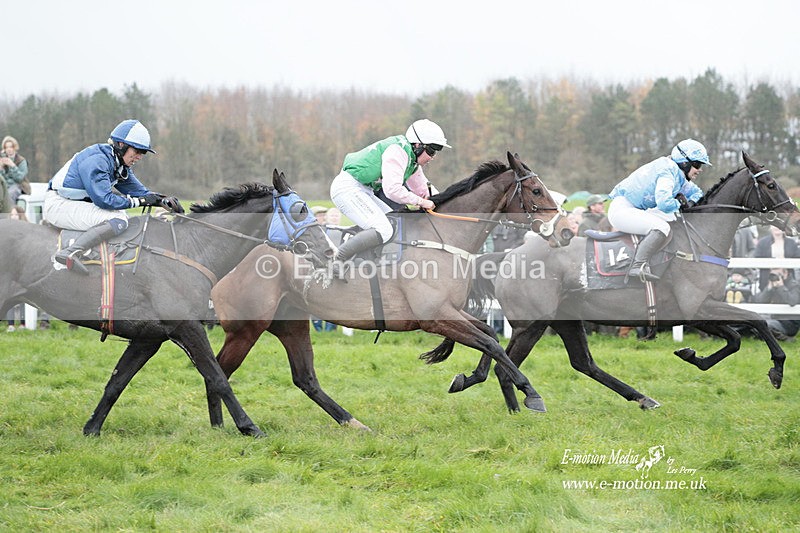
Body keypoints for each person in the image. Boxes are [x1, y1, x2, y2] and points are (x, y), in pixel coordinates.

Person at [43, 119, 183, 275]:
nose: (139, 157)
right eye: (137, 151)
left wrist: (161, 200)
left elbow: (139, 191)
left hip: (71, 203)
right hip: (58, 206)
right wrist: (141, 202)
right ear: (121, 145)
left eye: (142, 153)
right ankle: (72, 252)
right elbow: (104, 200)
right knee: (118, 219)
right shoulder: (98, 160)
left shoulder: (117, 162)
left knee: (122, 216)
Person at [329, 119, 450, 270]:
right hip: (347, 188)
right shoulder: (398, 151)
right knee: (384, 229)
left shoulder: (411, 160)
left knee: (395, 223)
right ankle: (339, 258)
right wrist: (422, 202)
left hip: (363, 190)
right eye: (431, 151)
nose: (432, 157)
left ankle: (368, 261)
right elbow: (392, 190)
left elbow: (424, 189)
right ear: (418, 145)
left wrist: (446, 204)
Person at [608, 139, 711, 281]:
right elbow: (664, 203)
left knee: (670, 222)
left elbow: (697, 193)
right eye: (697, 164)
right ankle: (637, 266)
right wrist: (681, 204)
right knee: (662, 227)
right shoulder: (668, 171)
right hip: (622, 210)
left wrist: (689, 203)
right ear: (684, 162)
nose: (700, 169)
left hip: (633, 209)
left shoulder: (678, 175)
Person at [753, 268, 800, 341]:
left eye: (778, 274)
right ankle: (771, 336)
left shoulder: (794, 285)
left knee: (765, 326)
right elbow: (760, 300)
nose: (775, 276)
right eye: (773, 274)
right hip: (774, 319)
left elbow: (792, 301)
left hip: (789, 322)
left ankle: (785, 338)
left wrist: (781, 287)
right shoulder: (773, 284)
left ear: (785, 273)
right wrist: (769, 288)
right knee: (755, 324)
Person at [754, 224, 800, 290]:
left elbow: (797, 259)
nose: (777, 228)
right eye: (774, 225)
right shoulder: (762, 242)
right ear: (770, 226)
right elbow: (757, 259)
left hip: (787, 279)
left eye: (779, 225)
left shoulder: (792, 243)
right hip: (767, 279)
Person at [5, 206, 29, 331]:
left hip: (22, 269)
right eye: (12, 215)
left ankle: (22, 324)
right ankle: (10, 324)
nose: (14, 217)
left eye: (16, 214)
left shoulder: (26, 231)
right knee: (10, 297)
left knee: (21, 298)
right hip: (10, 269)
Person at [0, 135, 29, 208]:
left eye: (11, 147)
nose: (9, 149)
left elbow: (19, 178)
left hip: (19, 186)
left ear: (15, 148)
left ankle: (10, 214)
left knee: (10, 193)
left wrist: (12, 166)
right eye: (6, 147)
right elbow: (2, 179)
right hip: (5, 185)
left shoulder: (21, 161)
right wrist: (1, 168)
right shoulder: (3, 159)